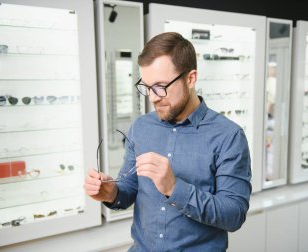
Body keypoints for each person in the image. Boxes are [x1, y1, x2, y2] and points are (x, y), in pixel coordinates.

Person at [85, 32, 252, 251]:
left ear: (190, 78)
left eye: (160, 86)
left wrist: (174, 188)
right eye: (146, 87)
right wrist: (111, 193)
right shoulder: (141, 127)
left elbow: (234, 215)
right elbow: (129, 188)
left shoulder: (228, 136)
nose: (153, 97)